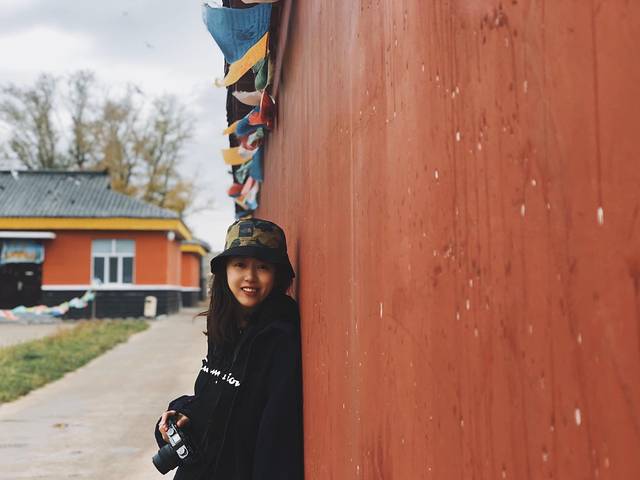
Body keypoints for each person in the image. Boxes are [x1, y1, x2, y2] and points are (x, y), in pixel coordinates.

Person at [154, 218, 304, 479]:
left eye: (263, 266)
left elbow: (275, 440)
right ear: (225, 271)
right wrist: (182, 412)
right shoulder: (225, 324)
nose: (250, 277)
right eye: (240, 265)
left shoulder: (280, 339)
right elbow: (215, 396)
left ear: (277, 274)